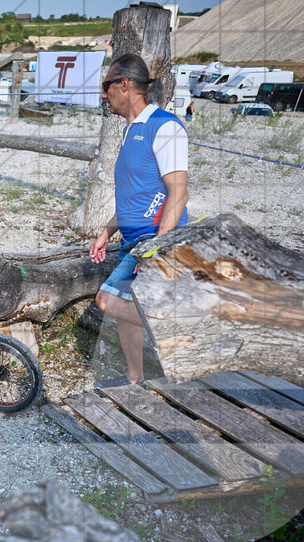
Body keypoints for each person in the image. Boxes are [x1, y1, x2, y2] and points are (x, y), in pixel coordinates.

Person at [89, 53, 189, 385]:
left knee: (107, 301)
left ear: (125, 85)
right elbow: (135, 194)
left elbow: (179, 193)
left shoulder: (166, 127)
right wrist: (107, 230)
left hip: (155, 240)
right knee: (126, 315)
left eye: (107, 87)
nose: (104, 95)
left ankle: (185, 322)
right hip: (132, 240)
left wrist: (154, 250)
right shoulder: (130, 130)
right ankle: (135, 379)